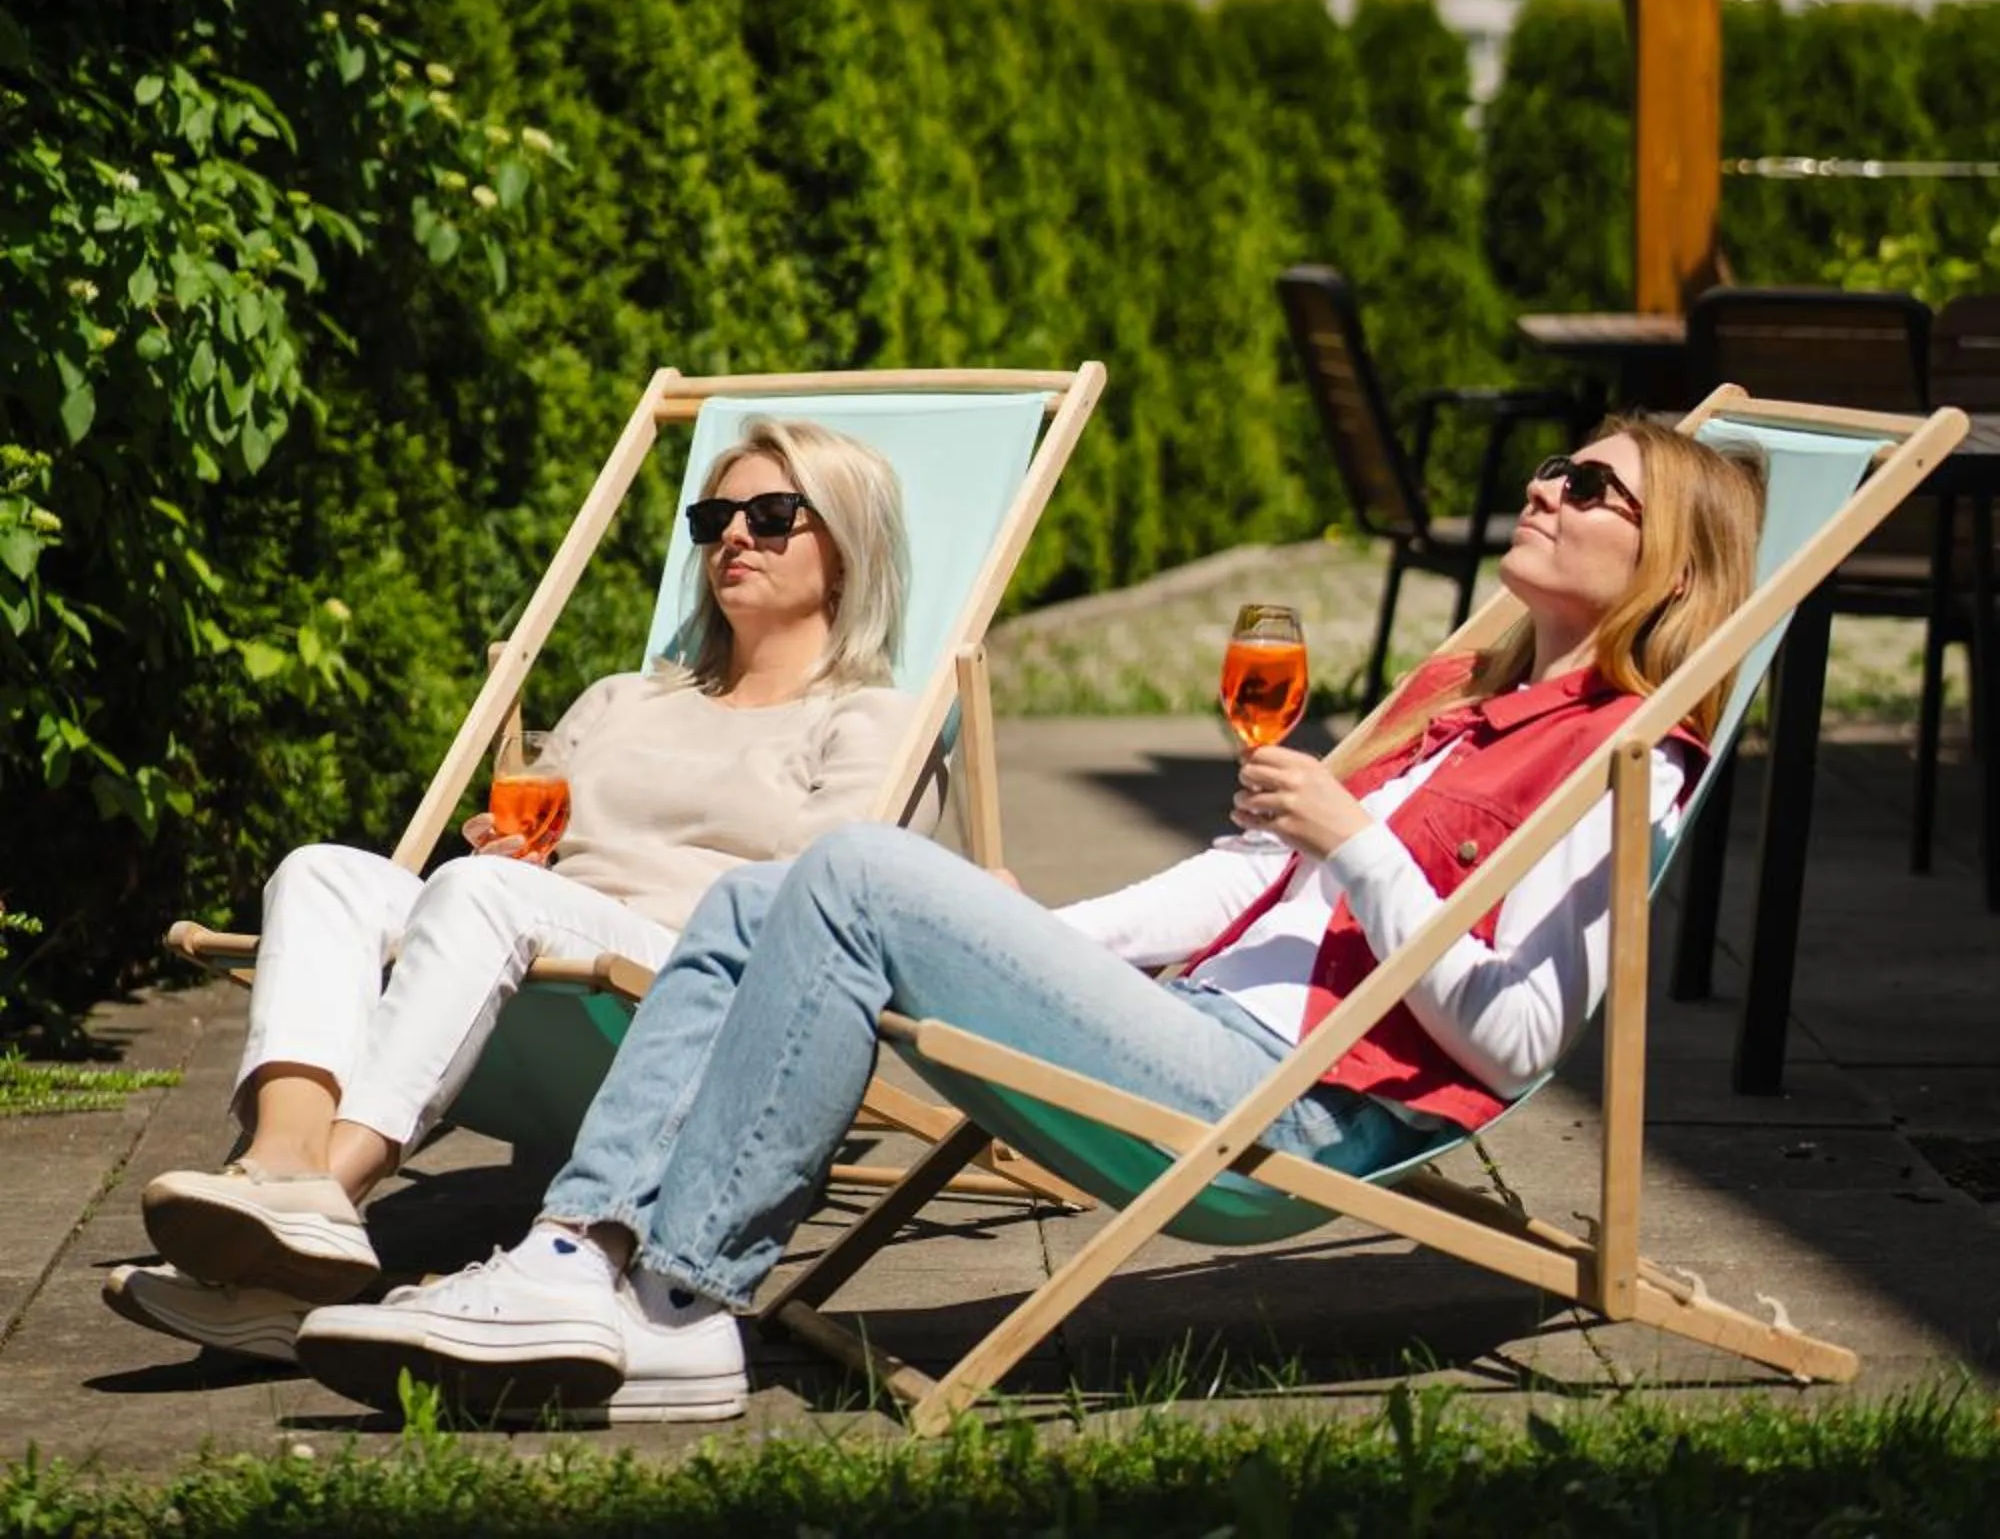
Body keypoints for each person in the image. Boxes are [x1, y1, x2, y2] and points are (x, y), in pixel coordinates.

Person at [295, 417, 1764, 1424]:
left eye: (1592, 485)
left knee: (854, 872)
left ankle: (679, 1298)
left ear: (1674, 563)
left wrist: (1361, 840)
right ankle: (593, 1255)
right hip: (1182, 1031)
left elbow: (1512, 1038)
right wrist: (1039, 934)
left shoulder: (1636, 756)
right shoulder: (1462, 702)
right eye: (1556, 469)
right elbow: (1236, 884)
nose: (1548, 488)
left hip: (1277, 1106)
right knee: (768, 892)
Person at [106, 418, 920, 1363]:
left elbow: (822, 916)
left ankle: (323, 1203)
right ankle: (283, 1173)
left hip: (683, 981)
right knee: (321, 871)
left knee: (484, 892)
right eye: (714, 516)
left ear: (848, 550)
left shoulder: (871, 723)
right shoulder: (625, 697)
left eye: (773, 515)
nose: (735, 537)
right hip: (544, 948)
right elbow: (543, 839)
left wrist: (505, 887)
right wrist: (516, 857)